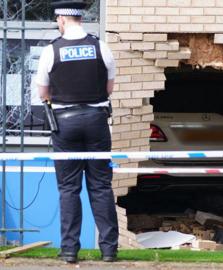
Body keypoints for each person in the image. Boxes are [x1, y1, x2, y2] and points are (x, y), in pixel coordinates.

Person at [36, 0, 118, 263]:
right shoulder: (100, 46)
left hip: (65, 124)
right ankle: (108, 250)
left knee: (69, 189)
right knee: (101, 187)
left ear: (61, 19)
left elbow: (42, 92)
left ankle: (70, 250)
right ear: (80, 18)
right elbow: (109, 88)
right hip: (96, 121)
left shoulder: (51, 51)